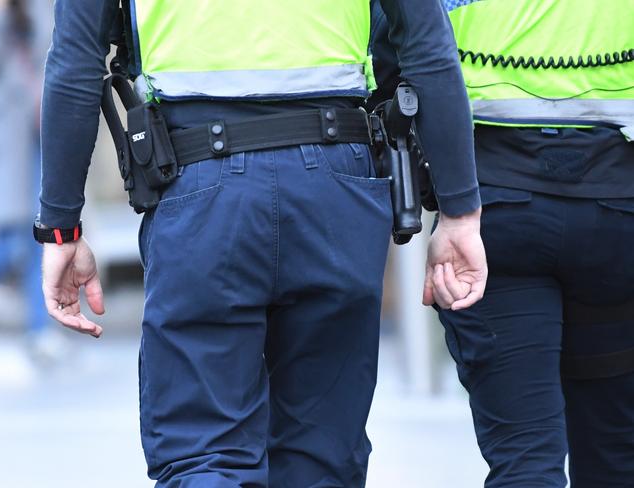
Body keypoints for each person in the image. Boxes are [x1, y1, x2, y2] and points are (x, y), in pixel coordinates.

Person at [37, 0, 486, 485]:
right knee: (322, 458)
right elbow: (427, 47)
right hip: (335, 188)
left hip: (199, 191)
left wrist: (61, 228)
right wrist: (459, 212)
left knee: (204, 454)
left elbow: (75, 61)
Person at [373, 0, 634, 486]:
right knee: (617, 453)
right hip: (617, 208)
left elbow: (393, 50)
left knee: (525, 458)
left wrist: (438, 190)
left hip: (492, 211)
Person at [0, 0, 57, 358]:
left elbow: (51, 50)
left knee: (36, 234)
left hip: (37, 131)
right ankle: (38, 330)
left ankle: (39, 330)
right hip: (3, 136)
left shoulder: (40, 5)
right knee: (12, 240)